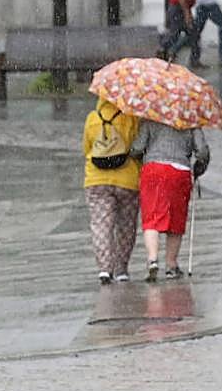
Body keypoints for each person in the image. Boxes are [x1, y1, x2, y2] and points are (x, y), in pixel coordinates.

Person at [130, 120, 209, 281]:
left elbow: (137, 147)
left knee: (151, 218)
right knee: (176, 220)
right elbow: (202, 151)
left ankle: (152, 260)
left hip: (153, 169)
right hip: (179, 172)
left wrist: (136, 153)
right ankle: (171, 265)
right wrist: (200, 164)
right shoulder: (191, 119)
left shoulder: (151, 118)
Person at [82, 97, 141, 284]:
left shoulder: (92, 118)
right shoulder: (131, 118)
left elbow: (86, 148)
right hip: (127, 180)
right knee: (126, 225)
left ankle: (105, 268)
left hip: (96, 180)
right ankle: (122, 268)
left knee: (101, 225)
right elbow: (138, 147)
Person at [159, 0, 201, 66]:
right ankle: (163, 50)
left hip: (180, 9)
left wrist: (189, 13)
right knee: (176, 33)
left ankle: (192, 59)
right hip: (177, 9)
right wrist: (187, 14)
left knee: (192, 33)